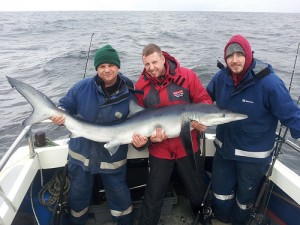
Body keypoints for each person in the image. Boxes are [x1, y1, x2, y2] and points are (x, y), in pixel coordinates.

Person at [206, 34, 300, 225]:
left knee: (244, 201)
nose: (234, 60)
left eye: (239, 54)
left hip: (253, 159)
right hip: (224, 152)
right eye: (230, 56)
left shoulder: (269, 83)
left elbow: (291, 115)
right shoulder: (221, 77)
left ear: (249, 55)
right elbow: (205, 99)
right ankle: (221, 220)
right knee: (221, 193)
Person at [51, 44, 135, 225]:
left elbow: (137, 119)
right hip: (81, 154)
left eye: (111, 65)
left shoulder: (129, 90)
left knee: (120, 195)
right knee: (78, 195)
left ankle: (125, 222)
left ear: (118, 67)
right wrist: (59, 112)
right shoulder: (81, 87)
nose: (107, 70)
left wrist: (140, 140)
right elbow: (65, 105)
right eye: (102, 66)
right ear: (96, 68)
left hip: (112, 157)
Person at [131, 43, 213, 225]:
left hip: (187, 147)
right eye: (146, 65)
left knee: (197, 192)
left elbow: (204, 101)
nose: (151, 68)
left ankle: (204, 221)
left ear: (163, 58)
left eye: (154, 62)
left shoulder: (187, 76)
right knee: (153, 196)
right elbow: (138, 123)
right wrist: (144, 142)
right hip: (160, 149)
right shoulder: (141, 86)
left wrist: (202, 121)